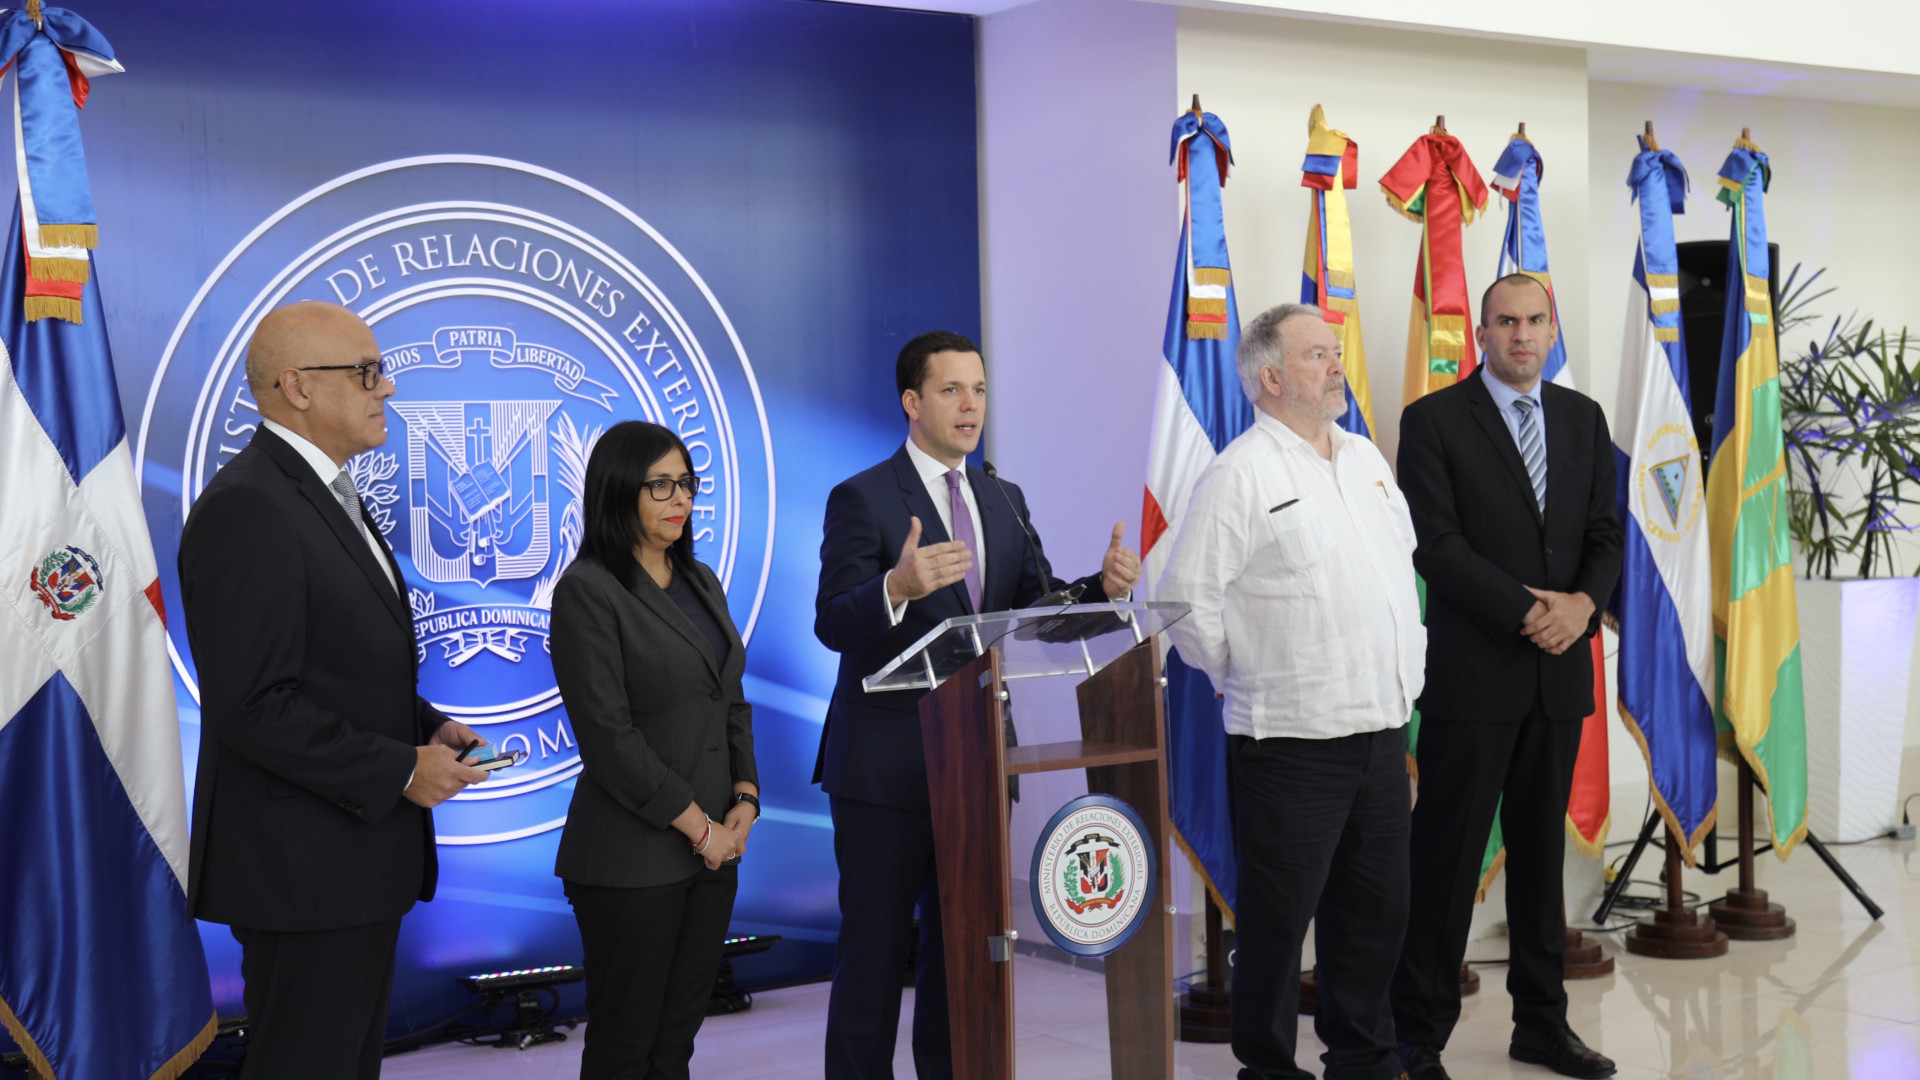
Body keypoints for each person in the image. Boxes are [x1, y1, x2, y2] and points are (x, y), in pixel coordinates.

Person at [813, 330, 1140, 1079]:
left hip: (979, 762)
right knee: (873, 959)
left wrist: (1101, 590)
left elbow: (1036, 612)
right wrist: (897, 587)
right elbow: (832, 620)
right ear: (912, 401)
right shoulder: (863, 497)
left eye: (980, 390)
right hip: (886, 773)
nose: (971, 405)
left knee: (962, 957)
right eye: (952, 390)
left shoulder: (1001, 496)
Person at [178, 301, 489, 1079]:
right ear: (297, 387)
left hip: (349, 865)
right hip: (303, 874)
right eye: (367, 372)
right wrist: (401, 768)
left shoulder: (322, 494)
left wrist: (425, 725)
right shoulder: (250, 506)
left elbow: (336, 666)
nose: (387, 389)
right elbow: (254, 705)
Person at [1158, 304, 1425, 1080]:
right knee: (1278, 927)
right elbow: (1188, 603)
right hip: (1290, 744)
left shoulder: (1366, 459)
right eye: (1317, 355)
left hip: (1380, 734)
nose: (1336, 365)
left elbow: (1399, 574)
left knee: (1374, 916)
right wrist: (1244, 675)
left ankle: (1364, 1061)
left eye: (1335, 351)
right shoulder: (1238, 473)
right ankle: (1269, 1068)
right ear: (1271, 378)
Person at [1391, 274, 1623, 1080]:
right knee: (1447, 859)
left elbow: (1606, 534)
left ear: (1551, 330)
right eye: (1505, 322)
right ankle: (1416, 1036)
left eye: (1533, 321)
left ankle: (1543, 1025)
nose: (1521, 335)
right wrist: (1532, 612)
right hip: (1474, 679)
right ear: (1480, 334)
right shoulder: (1433, 421)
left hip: (1557, 677)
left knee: (1539, 860)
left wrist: (1584, 606)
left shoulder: (1583, 418)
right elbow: (1436, 545)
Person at [549, 420, 759, 1080]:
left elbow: (730, 698)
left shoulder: (701, 580)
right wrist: (701, 829)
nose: (681, 498)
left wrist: (746, 799)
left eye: (686, 483)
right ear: (618, 491)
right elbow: (609, 740)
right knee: (626, 1047)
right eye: (660, 485)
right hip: (631, 858)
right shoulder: (588, 589)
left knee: (674, 1045)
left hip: (715, 852)